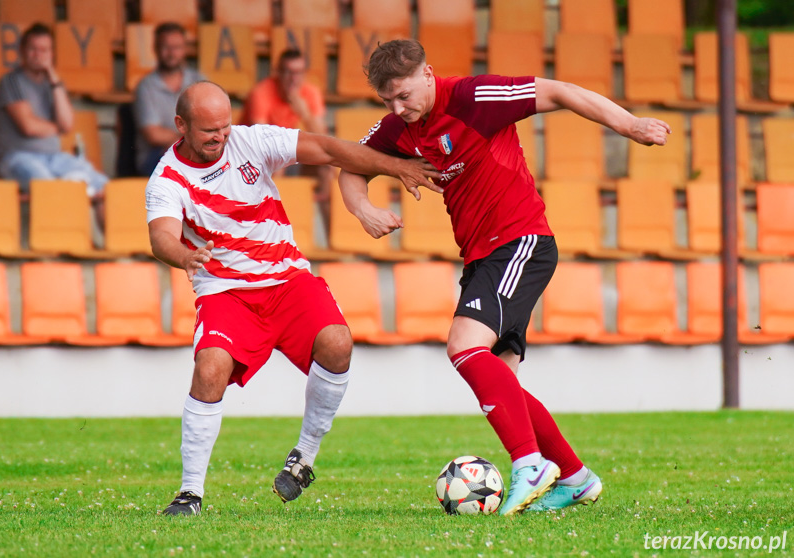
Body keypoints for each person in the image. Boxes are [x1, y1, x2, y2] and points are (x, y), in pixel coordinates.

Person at [338, 39, 671, 516]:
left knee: (462, 346)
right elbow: (350, 163)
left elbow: (559, 92)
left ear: (427, 74)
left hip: (519, 242)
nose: (398, 108)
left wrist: (628, 124)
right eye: (387, 100)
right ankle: (575, 478)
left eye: (404, 95)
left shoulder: (474, 98)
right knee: (500, 380)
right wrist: (363, 208)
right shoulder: (398, 126)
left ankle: (529, 464)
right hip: (482, 257)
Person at [145, 81, 440, 516]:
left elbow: (327, 149)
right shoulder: (167, 178)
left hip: (286, 279)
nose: (220, 137)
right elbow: (161, 236)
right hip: (227, 291)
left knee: (338, 342)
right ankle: (191, 493)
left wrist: (397, 166)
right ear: (181, 125)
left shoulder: (252, 140)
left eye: (225, 127)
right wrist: (185, 256)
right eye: (209, 131)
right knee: (210, 369)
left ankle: (303, 458)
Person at [0, 23, 108, 216]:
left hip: (55, 158)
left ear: (52, 53)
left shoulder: (53, 84)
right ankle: (58, 243)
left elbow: (68, 124)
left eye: (44, 50)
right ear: (22, 50)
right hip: (18, 157)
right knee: (50, 189)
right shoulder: (10, 81)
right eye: (33, 49)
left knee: (104, 187)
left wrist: (54, 80)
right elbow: (28, 127)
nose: (38, 55)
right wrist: (59, 128)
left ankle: (112, 244)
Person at [240, 49, 334, 206]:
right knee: (278, 165)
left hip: (287, 154)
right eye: (289, 72)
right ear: (278, 73)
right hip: (251, 157)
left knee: (327, 166)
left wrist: (305, 114)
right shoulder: (260, 93)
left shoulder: (311, 92)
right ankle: (273, 220)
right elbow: (261, 141)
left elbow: (324, 139)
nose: (294, 79)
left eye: (299, 73)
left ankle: (334, 228)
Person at [133, 22, 205, 176]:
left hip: (195, 152)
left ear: (185, 49)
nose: (172, 53)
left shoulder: (199, 81)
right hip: (155, 157)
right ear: (156, 49)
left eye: (177, 47)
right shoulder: (145, 87)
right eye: (166, 47)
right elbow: (154, 135)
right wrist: (192, 139)